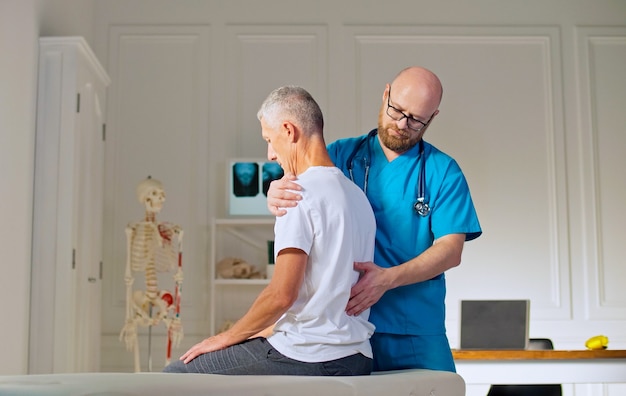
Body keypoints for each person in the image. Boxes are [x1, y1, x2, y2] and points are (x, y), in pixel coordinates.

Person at [266, 66, 482, 373]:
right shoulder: (340, 155)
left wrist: (387, 279)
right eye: (396, 111)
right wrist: (276, 191)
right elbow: (296, 191)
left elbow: (451, 249)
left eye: (416, 119)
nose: (402, 124)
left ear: (432, 118)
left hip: (415, 327)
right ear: (385, 96)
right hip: (343, 327)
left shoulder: (443, 171)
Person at [163, 85, 377, 375]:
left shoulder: (295, 194)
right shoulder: (357, 196)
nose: (270, 154)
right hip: (356, 355)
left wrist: (224, 338)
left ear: (289, 130)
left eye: (269, 139)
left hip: (310, 353)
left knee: (176, 376)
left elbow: (281, 295)